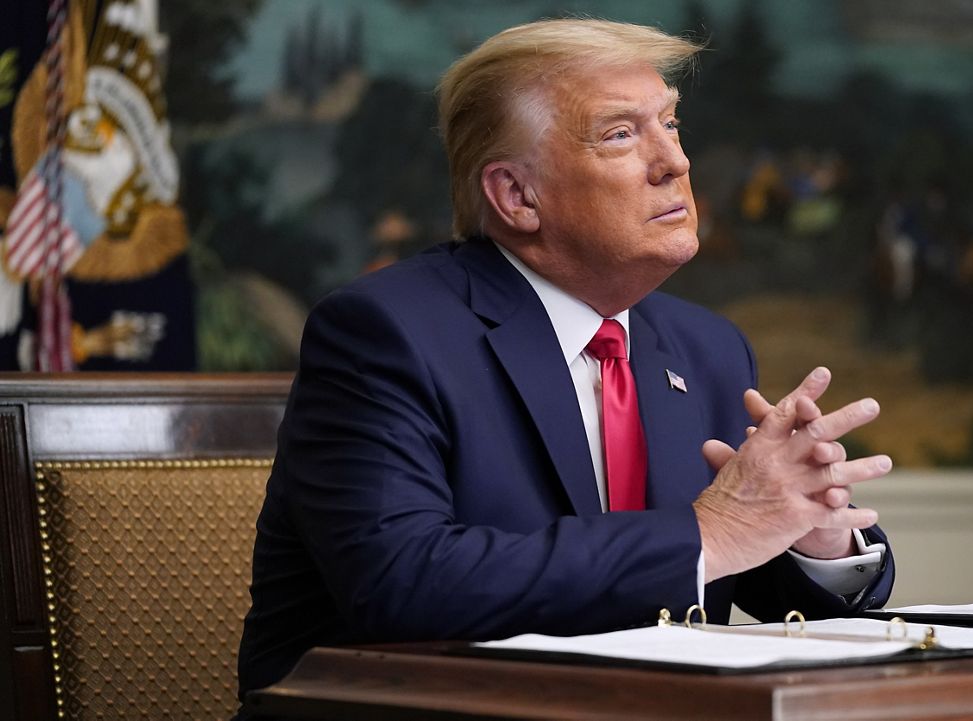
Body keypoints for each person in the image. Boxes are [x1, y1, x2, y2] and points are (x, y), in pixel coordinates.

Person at [235, 18, 895, 708]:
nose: (676, 161)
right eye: (620, 134)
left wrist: (811, 535)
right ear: (517, 196)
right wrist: (710, 530)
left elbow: (739, 578)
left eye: (670, 124)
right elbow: (403, 586)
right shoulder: (384, 332)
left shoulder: (708, 348)